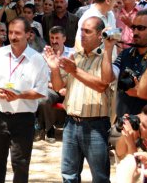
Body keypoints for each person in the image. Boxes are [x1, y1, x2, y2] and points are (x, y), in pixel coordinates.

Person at [44, 16, 116, 183]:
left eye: (87, 31)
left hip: (96, 125)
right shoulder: (75, 57)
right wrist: (54, 69)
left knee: (100, 177)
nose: (82, 34)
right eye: (81, 30)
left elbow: (102, 85)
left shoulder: (107, 57)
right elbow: (57, 86)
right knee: (69, 175)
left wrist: (75, 71)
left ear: (100, 35)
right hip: (71, 123)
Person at [0, 17, 49, 183]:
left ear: (28, 34)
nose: (13, 37)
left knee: (21, 163)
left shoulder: (37, 59)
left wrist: (19, 95)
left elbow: (40, 92)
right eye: (10, 32)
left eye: (17, 33)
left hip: (23, 119)